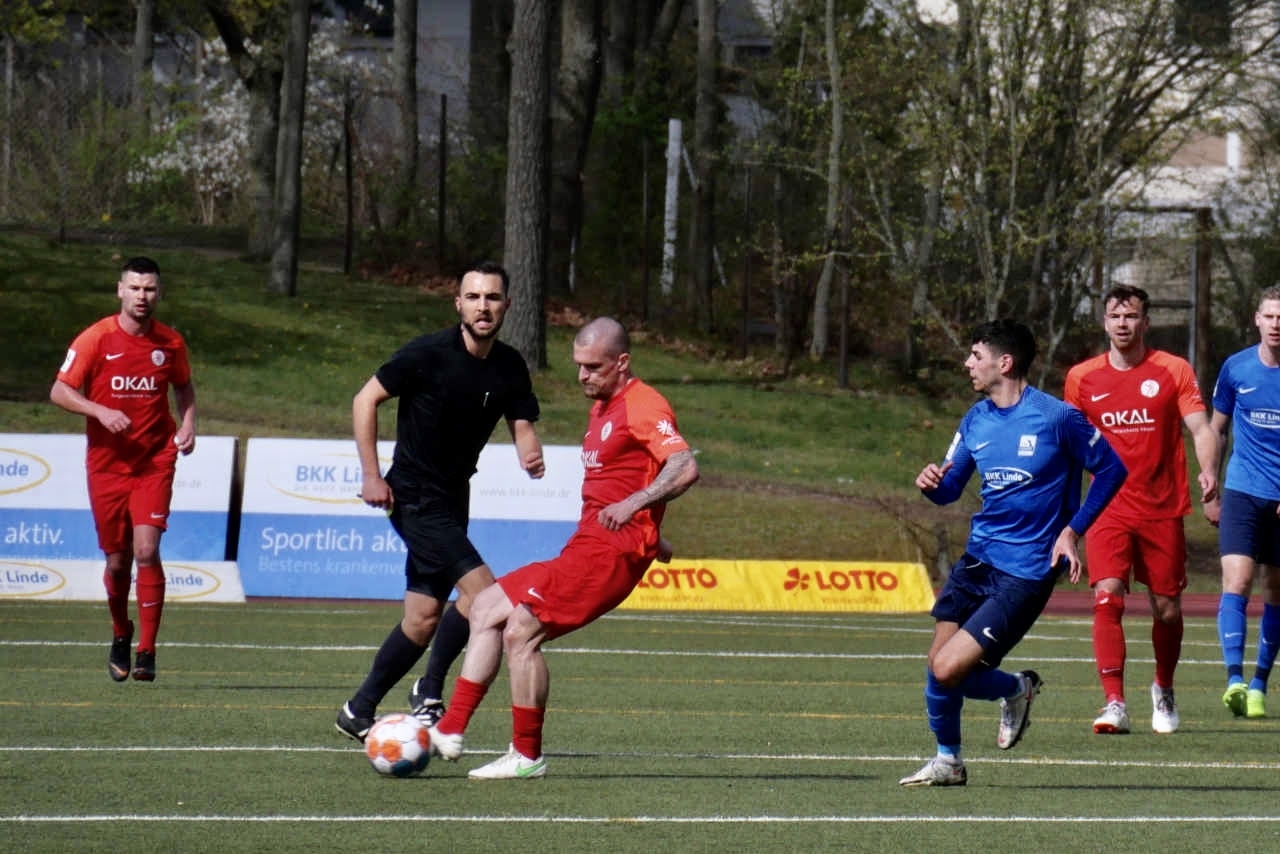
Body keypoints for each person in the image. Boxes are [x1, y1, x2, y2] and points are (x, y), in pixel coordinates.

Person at [426, 316, 699, 779]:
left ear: (622, 362)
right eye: (578, 365)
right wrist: (653, 533)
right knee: (491, 611)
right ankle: (461, 734)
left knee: (517, 627)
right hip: (591, 546)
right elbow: (624, 481)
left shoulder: (643, 405)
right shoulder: (603, 408)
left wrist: (635, 507)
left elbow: (684, 466)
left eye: (593, 367)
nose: (582, 376)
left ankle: (507, 749)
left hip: (608, 554)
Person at [900, 319, 1126, 788]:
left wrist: (1072, 531)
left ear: (1004, 363)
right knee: (938, 666)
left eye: (976, 356)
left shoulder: (1057, 417)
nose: (968, 364)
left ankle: (1014, 689)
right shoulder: (975, 419)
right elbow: (950, 489)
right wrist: (931, 484)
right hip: (978, 558)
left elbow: (1112, 470)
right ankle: (949, 761)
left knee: (948, 669)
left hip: (1026, 570)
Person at [335, 260, 546, 741]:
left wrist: (528, 448)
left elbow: (521, 418)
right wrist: (371, 475)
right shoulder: (427, 354)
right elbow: (364, 399)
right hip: (413, 496)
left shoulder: (510, 365)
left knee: (422, 618)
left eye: (492, 297)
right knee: (485, 596)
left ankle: (358, 709)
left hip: (454, 497)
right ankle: (429, 692)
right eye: (473, 297)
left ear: (507, 305)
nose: (483, 307)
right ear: (458, 305)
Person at [1063, 285, 1218, 735]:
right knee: (1107, 596)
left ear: (1145, 322)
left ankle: (1163, 688)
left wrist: (1209, 471)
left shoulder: (1173, 369)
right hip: (1107, 507)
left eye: (1131, 316)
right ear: (1104, 323)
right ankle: (1114, 702)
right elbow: (1069, 446)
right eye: (1115, 316)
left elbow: (1200, 428)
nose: (1123, 323)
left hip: (1162, 507)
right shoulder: (1081, 378)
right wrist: (1064, 514)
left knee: (1166, 609)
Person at [50, 256, 197, 683]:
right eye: (134, 288)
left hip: (154, 460)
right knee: (118, 563)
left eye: (149, 289)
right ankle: (121, 631)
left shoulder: (170, 342)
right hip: (108, 466)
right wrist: (99, 411)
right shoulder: (96, 338)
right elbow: (59, 390)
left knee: (146, 550)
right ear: (120, 290)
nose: (142, 296)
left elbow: (184, 386)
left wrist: (188, 424)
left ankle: (147, 649)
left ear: (159, 293)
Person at [1209, 285, 1280, 719]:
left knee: (1275, 591)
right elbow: (1217, 429)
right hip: (1242, 490)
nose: (1276, 324)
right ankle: (1234, 679)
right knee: (1237, 581)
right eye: (1270, 316)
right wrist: (1210, 481)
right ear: (1257, 319)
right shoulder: (1236, 368)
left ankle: (1258, 685)